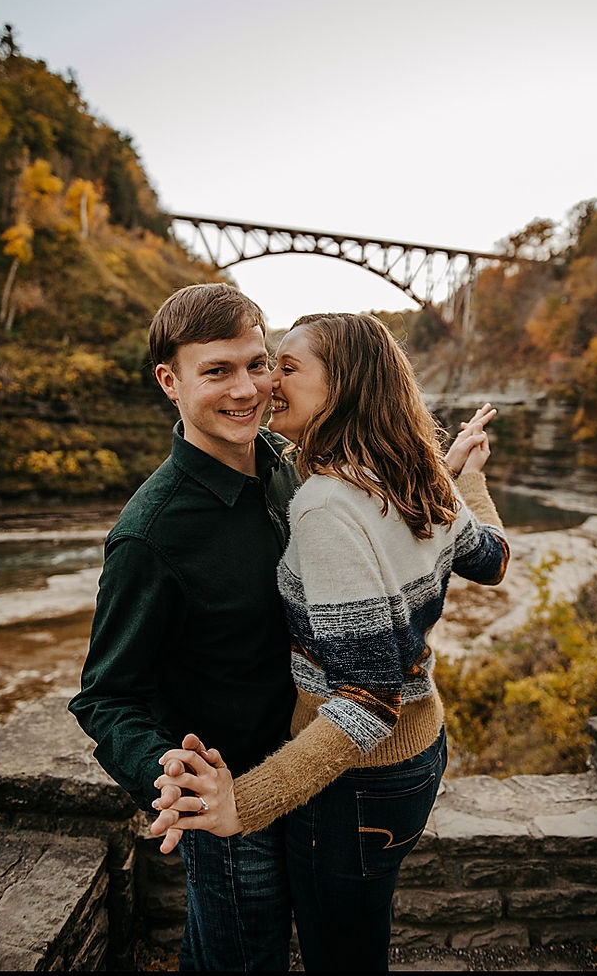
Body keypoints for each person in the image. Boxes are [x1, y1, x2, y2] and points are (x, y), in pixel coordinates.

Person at [143, 311, 508, 972]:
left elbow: (367, 705)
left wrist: (241, 805)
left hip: (355, 786)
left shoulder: (326, 508)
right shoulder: (419, 478)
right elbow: (494, 560)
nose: (265, 384)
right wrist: (465, 475)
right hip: (423, 753)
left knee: (341, 956)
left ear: (340, 386)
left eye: (286, 366)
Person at [70, 282, 300, 970]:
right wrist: (162, 768)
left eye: (257, 364)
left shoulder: (286, 467)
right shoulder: (150, 535)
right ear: (170, 381)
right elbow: (106, 697)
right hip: (227, 800)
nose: (246, 389)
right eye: (218, 371)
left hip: (309, 774)